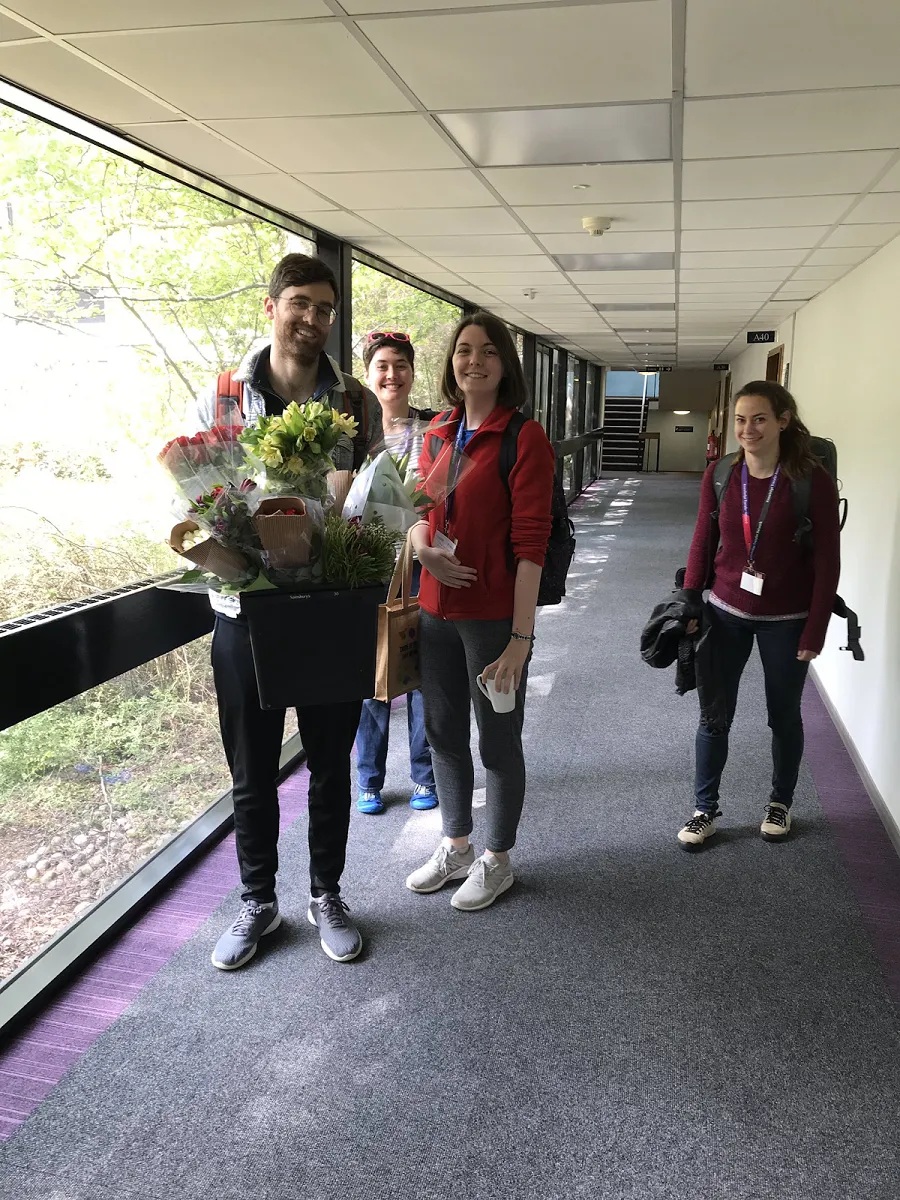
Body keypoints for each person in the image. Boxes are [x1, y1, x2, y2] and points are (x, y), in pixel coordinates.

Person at [199, 253, 382, 970]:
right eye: (300, 303)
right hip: (243, 613)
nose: (313, 320)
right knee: (250, 766)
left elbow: (376, 500)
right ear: (270, 306)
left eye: (326, 310)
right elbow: (199, 495)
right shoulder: (220, 400)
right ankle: (257, 901)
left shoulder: (357, 404)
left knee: (331, 761)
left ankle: (326, 892)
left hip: (327, 612)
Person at [405, 312, 555, 911]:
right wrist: (423, 551)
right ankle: (456, 845)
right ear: (451, 364)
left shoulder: (524, 438)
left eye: (488, 351)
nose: (475, 361)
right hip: (434, 612)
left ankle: (498, 859)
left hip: (493, 620)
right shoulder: (439, 431)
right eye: (464, 350)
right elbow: (418, 507)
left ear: (505, 366)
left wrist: (521, 638)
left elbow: (531, 548)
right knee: (442, 735)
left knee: (497, 740)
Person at [677, 380, 840, 850]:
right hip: (726, 610)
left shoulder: (811, 480)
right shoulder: (722, 474)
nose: (748, 429)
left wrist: (817, 626)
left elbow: (828, 560)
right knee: (713, 716)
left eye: (760, 419)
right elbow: (704, 540)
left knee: (783, 715)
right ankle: (704, 809)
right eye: (741, 419)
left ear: (783, 420)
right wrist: (691, 596)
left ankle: (780, 802)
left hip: (788, 618)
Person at [355, 331, 440, 816]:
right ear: (369, 375)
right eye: (383, 366)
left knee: (423, 671)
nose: (392, 375)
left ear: (412, 372)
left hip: (421, 566)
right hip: (370, 567)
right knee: (375, 677)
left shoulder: (436, 429)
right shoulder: (353, 434)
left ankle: (425, 777)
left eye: (401, 365)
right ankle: (369, 778)